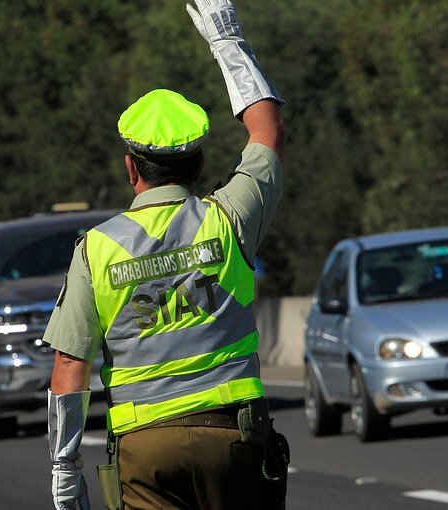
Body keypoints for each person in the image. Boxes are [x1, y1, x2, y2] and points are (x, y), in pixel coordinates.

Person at [47, 1, 287, 509]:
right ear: (200, 164)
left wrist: (65, 471)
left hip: (145, 449)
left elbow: (70, 366)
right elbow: (267, 134)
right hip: (234, 440)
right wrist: (227, 43)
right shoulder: (229, 220)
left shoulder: (96, 250)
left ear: (131, 169)